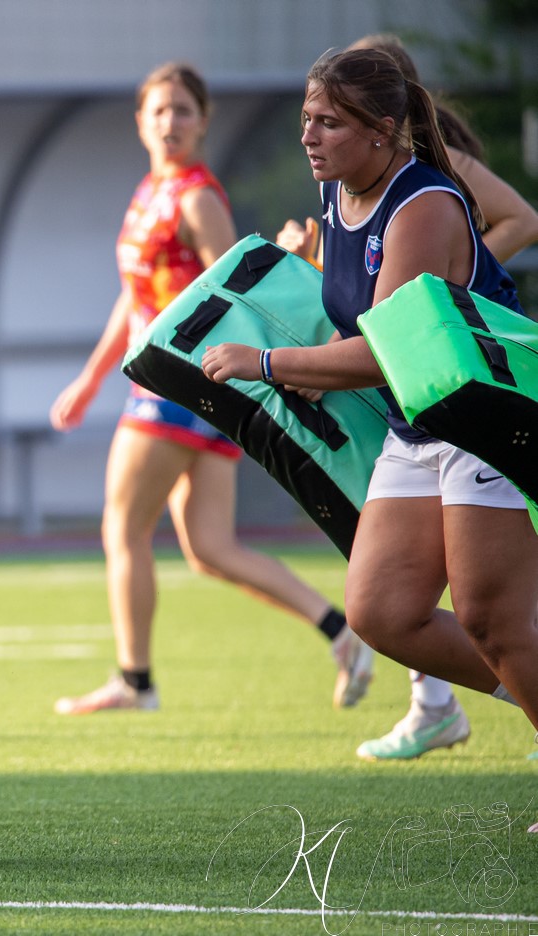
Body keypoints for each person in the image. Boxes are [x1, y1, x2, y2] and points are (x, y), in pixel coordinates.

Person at [202, 49, 538, 779]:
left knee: (491, 619)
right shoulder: (337, 192)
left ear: (384, 131)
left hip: (484, 421)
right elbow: (352, 315)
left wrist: (264, 364)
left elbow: (382, 351)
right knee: (383, 612)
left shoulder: (421, 203)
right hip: (417, 425)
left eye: (328, 122)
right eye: (305, 120)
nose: (309, 136)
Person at [48, 62, 372, 716]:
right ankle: (340, 632)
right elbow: (134, 299)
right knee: (211, 549)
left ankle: (135, 681)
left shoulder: (196, 197)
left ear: (203, 121)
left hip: (182, 383)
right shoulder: (151, 191)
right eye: (159, 111)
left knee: (123, 528)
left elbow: (233, 291)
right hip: (193, 387)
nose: (170, 122)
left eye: (183, 111)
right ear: (141, 121)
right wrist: (89, 377)